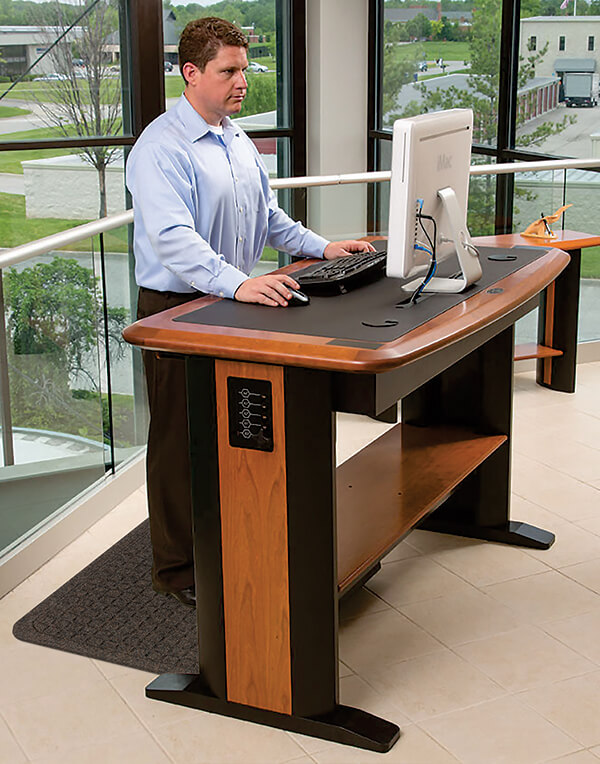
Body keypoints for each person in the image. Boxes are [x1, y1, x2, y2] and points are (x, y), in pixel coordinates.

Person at [126, 17, 373, 607]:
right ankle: (178, 570)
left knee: (235, 435)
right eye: (228, 71)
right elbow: (174, 242)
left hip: (232, 298)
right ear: (191, 74)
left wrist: (322, 247)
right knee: (179, 444)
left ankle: (235, 539)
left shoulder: (236, 139)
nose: (242, 82)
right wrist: (241, 285)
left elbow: (267, 218)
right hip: (178, 309)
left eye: (244, 69)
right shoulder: (160, 149)